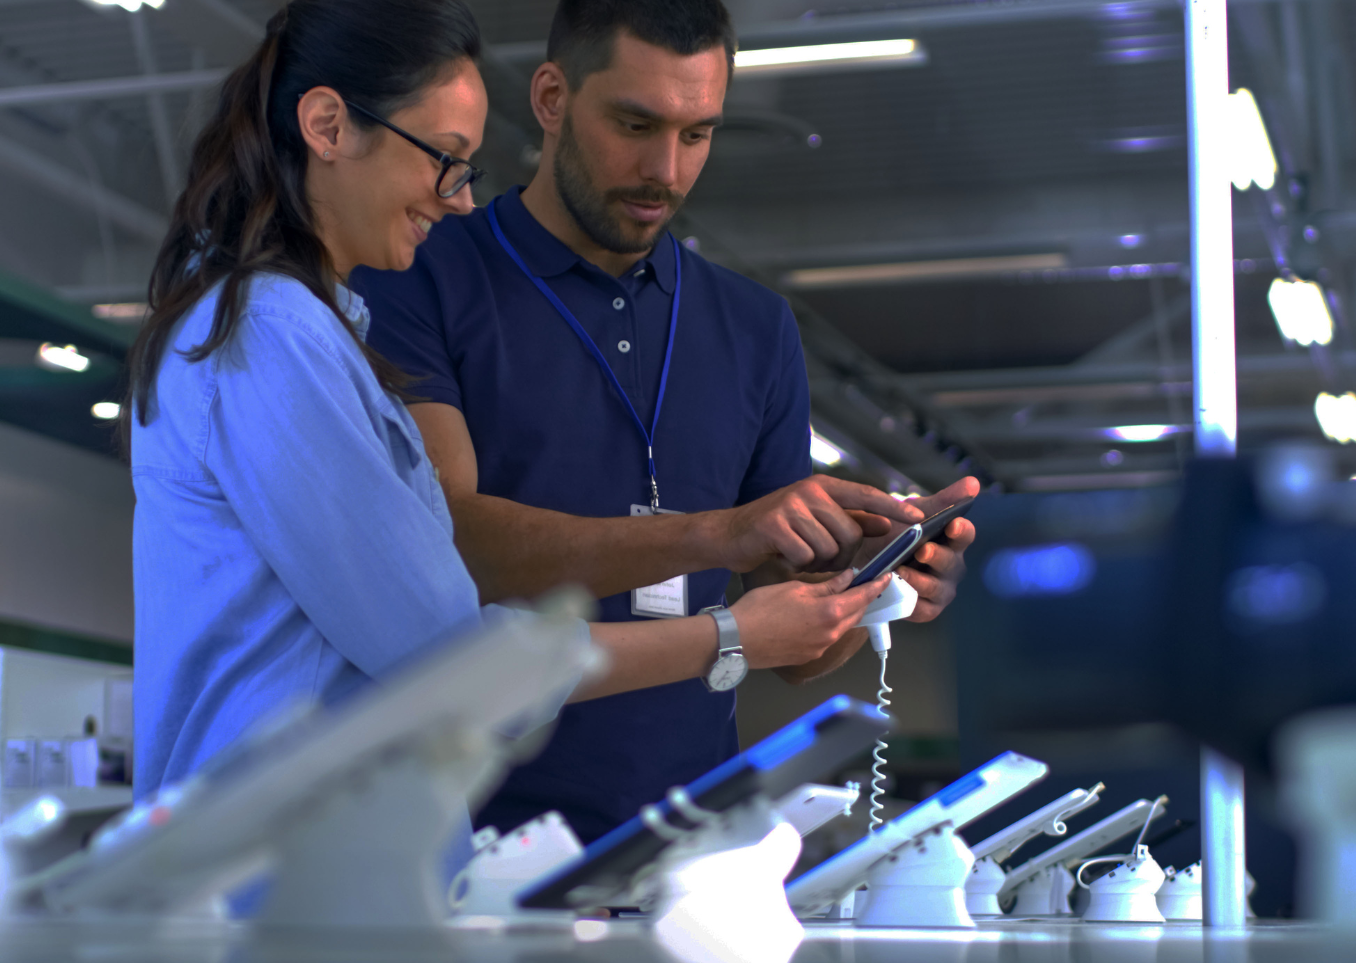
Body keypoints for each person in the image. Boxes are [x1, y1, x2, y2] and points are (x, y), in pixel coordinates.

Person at [122, 0, 899, 811]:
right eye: (444, 157)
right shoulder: (273, 337)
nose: (458, 198)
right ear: (327, 127)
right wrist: (727, 629)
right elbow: (450, 653)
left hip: (339, 869)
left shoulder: (312, 333)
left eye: (697, 134)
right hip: (290, 879)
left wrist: (857, 585)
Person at [354, 0, 979, 844]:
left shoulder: (756, 327)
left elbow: (787, 646)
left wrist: (871, 590)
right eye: (635, 123)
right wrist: (714, 534)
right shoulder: (422, 271)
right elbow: (451, 539)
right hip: (464, 839)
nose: (666, 169)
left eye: (698, 133)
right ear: (549, 97)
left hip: (680, 851)